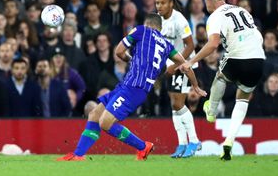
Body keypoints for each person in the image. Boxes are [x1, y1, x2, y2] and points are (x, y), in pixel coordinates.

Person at [57, 14, 206, 161]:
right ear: (160, 28)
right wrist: (195, 85)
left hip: (134, 87)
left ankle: (143, 146)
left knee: (105, 122)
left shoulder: (141, 30)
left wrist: (131, 59)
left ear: (147, 23)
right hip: (132, 87)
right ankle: (78, 155)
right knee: (94, 115)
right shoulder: (167, 45)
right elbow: (185, 65)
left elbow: (118, 52)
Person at [179, 0, 265, 161]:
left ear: (210, 1)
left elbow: (213, 44)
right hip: (258, 59)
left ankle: (211, 110)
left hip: (237, 56)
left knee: (220, 75)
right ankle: (229, 142)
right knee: (243, 98)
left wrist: (191, 61)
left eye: (205, 3)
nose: (205, 6)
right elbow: (259, 36)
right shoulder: (242, 10)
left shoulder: (215, 16)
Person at [156, 0, 200, 158]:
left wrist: (176, 65)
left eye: (163, 3)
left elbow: (190, 46)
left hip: (183, 65)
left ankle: (194, 141)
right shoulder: (158, 20)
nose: (159, 6)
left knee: (178, 104)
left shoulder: (179, 20)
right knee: (174, 105)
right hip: (170, 66)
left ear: (171, 4)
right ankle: (182, 144)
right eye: (157, 3)